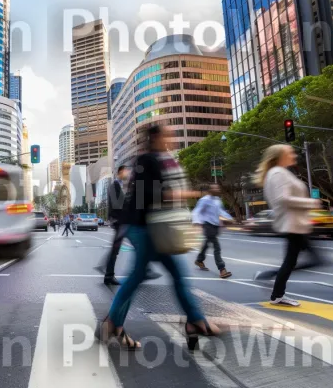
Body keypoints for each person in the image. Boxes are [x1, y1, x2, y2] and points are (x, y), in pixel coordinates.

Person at [97, 125, 221, 350]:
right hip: (144, 228)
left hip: (154, 227)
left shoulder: (160, 159)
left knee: (149, 276)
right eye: (167, 135)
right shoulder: (147, 160)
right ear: (156, 138)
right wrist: (186, 194)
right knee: (157, 275)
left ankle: (115, 324)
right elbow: (150, 193)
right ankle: (194, 321)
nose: (171, 138)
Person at [255, 144, 322, 307]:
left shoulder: (281, 172)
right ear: (280, 156)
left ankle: (274, 287)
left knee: (298, 260)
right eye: (289, 152)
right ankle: (275, 291)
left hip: (296, 224)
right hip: (292, 224)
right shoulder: (278, 173)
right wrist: (310, 202)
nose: (294, 154)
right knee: (305, 260)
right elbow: (282, 199)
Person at [193, 184, 233, 279]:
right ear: (210, 190)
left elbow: (221, 212)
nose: (217, 189)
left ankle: (199, 260)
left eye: (218, 188)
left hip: (215, 226)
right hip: (207, 225)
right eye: (215, 188)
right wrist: (196, 222)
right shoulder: (204, 200)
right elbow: (196, 211)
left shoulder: (217, 200)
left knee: (206, 244)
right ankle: (222, 269)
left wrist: (230, 218)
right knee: (217, 247)